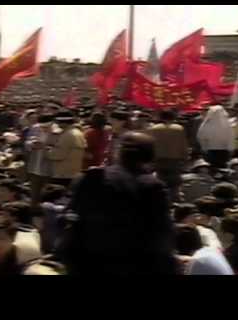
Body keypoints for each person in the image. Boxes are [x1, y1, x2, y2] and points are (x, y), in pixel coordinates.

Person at [62, 131, 177, 275]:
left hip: (87, 263)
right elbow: (161, 233)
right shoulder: (153, 187)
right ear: (150, 157)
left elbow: (68, 219)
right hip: (133, 264)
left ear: (118, 153)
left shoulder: (91, 177)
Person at [148, 109, 189, 203]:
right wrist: (185, 158)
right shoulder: (179, 128)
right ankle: (174, 203)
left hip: (158, 159)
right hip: (174, 160)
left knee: (159, 182)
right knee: (174, 185)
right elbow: (183, 145)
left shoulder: (154, 128)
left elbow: (150, 144)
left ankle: (159, 201)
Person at [25, 114, 60, 204]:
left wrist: (44, 146)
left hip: (48, 169)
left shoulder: (57, 132)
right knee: (33, 193)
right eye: (42, 127)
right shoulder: (35, 129)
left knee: (46, 194)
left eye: (46, 127)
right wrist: (31, 145)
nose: (43, 129)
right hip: (34, 167)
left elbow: (58, 150)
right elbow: (27, 142)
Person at [47, 110, 87, 187]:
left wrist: (46, 149)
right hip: (74, 173)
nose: (57, 124)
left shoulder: (67, 135)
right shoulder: (78, 133)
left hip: (63, 176)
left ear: (63, 122)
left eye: (58, 122)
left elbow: (56, 155)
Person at [197, 105, 234, 169]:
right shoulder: (227, 124)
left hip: (210, 149)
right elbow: (230, 137)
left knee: (211, 168)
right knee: (222, 168)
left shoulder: (206, 123)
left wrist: (204, 147)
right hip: (223, 150)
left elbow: (200, 136)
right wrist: (231, 149)